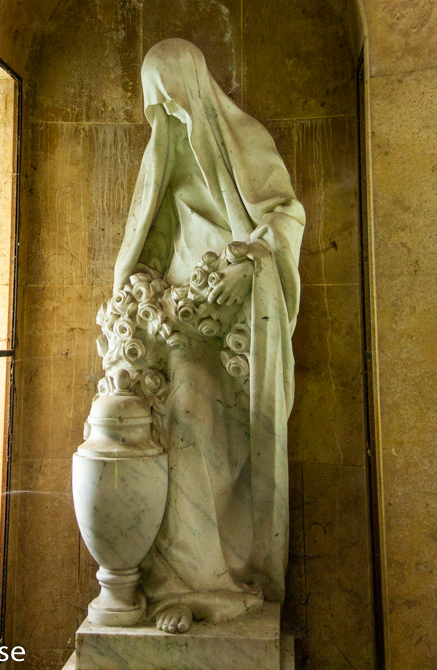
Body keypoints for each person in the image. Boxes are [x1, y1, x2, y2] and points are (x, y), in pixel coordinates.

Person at [112, 39, 305, 634]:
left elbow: (284, 214)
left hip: (228, 331)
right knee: (125, 419)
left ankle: (211, 585)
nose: (168, 113)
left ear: (195, 88)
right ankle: (145, 583)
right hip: (171, 320)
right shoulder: (160, 165)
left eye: (175, 98)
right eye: (157, 104)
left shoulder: (243, 145)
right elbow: (143, 251)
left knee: (192, 413)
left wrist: (249, 259)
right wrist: (142, 300)